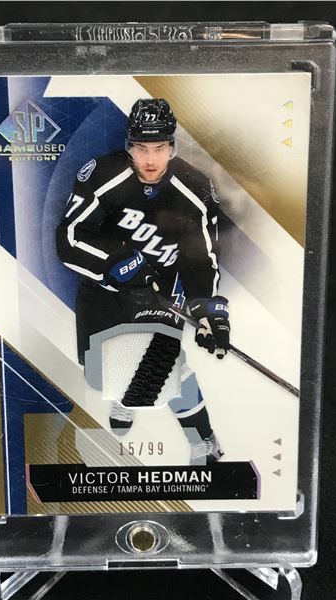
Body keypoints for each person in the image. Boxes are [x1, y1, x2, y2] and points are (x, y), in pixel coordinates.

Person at [56, 98, 230, 465]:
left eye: (159, 148)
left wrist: (208, 311)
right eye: (141, 148)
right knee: (97, 367)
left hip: (160, 290)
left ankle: (204, 439)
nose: (150, 159)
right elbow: (69, 239)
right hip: (105, 286)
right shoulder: (103, 175)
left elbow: (203, 259)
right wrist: (114, 262)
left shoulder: (195, 188)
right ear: (129, 146)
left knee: (162, 365)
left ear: (172, 146)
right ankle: (125, 391)